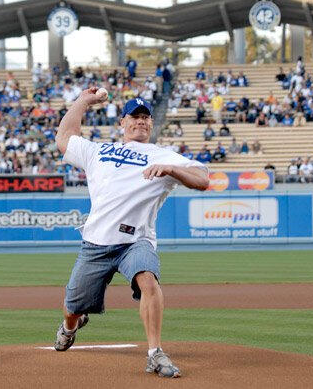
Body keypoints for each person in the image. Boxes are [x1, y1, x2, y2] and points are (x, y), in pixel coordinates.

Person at [54, 90, 209, 378]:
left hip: (136, 241)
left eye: (145, 117)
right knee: (73, 306)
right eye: (134, 117)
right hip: (96, 243)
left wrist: (173, 169)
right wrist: (83, 101)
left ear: (151, 123)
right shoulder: (98, 151)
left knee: (148, 280)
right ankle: (70, 326)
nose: (140, 121)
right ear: (123, 122)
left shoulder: (164, 156)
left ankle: (154, 353)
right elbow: (64, 138)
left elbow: (203, 179)